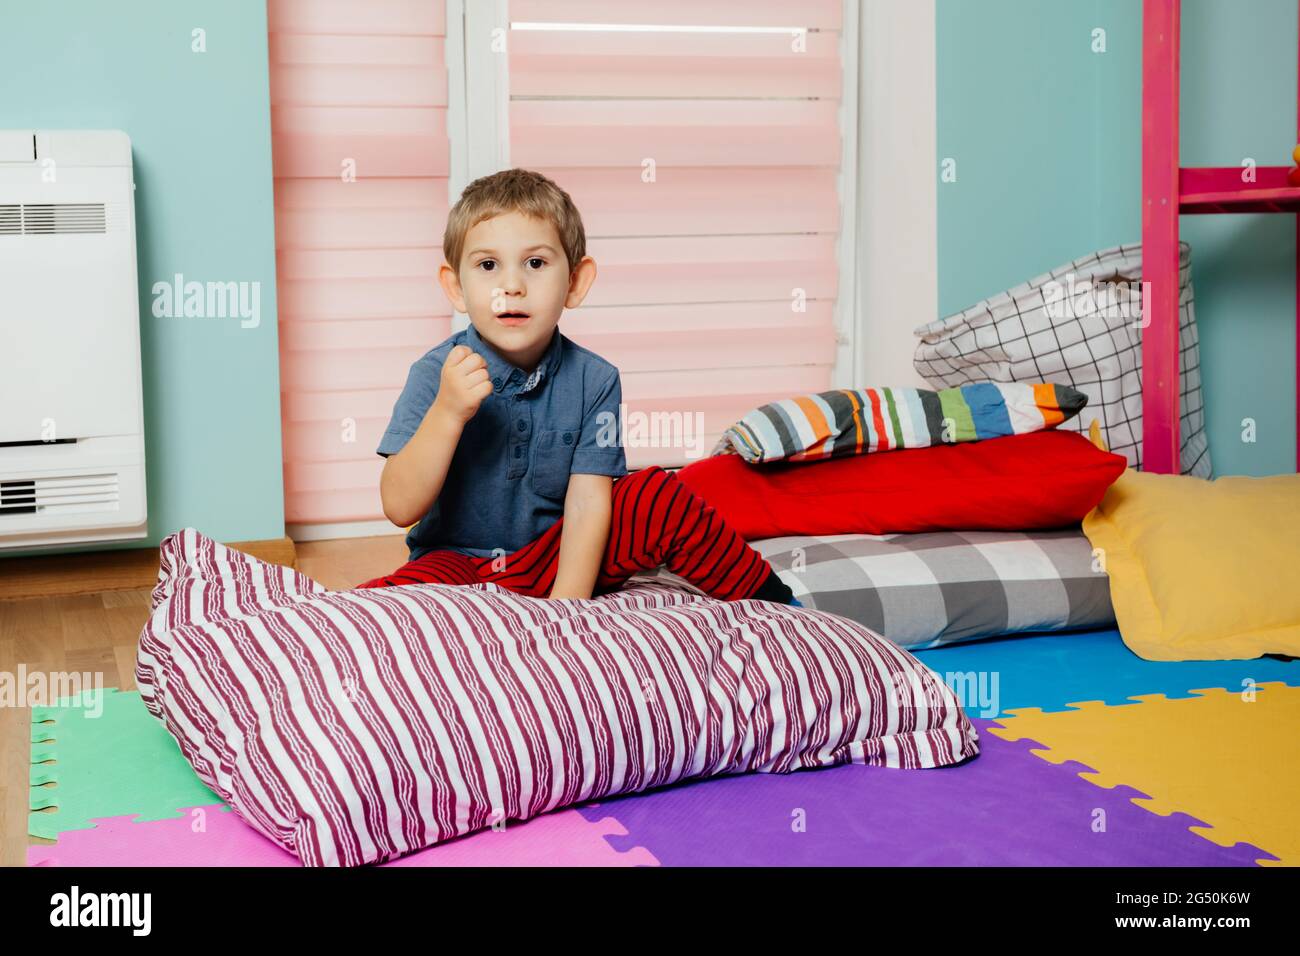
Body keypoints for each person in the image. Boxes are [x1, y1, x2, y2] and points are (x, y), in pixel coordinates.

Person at [357, 168, 797, 607]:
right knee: (388, 602)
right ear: (456, 287)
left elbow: (588, 505)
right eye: (488, 265)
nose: (511, 286)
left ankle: (784, 608)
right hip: (459, 562)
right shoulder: (435, 372)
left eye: (535, 263)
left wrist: (567, 607)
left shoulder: (596, 379)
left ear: (575, 282)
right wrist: (448, 413)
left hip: (558, 555)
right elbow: (399, 506)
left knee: (658, 495)